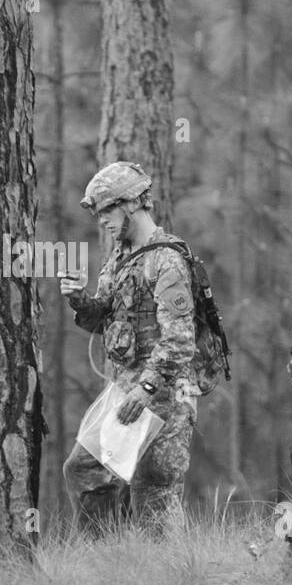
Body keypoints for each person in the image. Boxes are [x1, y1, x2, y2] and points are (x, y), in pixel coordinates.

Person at [60, 161, 198, 536]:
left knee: (153, 490)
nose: (102, 220)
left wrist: (147, 387)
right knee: (91, 472)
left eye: (108, 209)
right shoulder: (120, 258)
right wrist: (79, 300)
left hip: (162, 394)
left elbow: (180, 340)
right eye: (99, 212)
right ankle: (109, 563)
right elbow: (103, 321)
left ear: (133, 203)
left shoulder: (166, 260)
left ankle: (174, 579)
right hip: (128, 390)